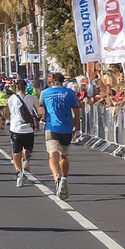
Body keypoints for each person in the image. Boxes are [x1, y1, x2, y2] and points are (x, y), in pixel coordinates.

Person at [40, 72, 82, 200]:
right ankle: (64, 178)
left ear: (52, 80)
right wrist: (77, 125)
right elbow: (76, 109)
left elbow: (41, 109)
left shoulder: (45, 93)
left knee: (52, 155)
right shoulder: (70, 93)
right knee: (63, 156)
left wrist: (41, 117)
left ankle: (57, 177)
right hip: (66, 128)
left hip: (52, 127)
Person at [6, 79, 41, 187]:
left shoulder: (11, 99)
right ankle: (25, 163)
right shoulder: (32, 98)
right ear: (26, 87)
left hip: (15, 128)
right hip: (28, 129)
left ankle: (19, 172)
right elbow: (39, 112)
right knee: (28, 149)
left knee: (16, 151)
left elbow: (9, 113)